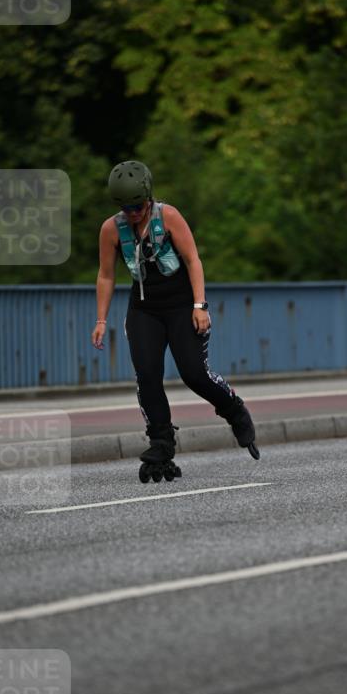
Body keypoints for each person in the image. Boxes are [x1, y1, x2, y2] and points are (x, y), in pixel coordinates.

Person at [92, 160, 259, 482]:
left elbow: (193, 260)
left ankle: (233, 408)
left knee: (194, 373)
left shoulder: (168, 216)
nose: (133, 213)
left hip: (182, 305)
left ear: (148, 197)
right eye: (125, 208)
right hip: (143, 309)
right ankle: (161, 444)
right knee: (147, 376)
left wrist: (200, 305)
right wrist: (100, 319)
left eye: (138, 206)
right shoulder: (111, 229)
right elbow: (105, 275)